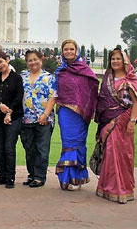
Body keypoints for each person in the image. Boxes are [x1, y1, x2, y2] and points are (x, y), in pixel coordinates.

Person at [42, 39, 99, 191]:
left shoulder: (85, 70)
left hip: (81, 115)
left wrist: (91, 108)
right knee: (69, 144)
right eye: (66, 49)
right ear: (62, 52)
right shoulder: (61, 72)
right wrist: (46, 113)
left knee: (79, 144)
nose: (68, 52)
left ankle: (77, 178)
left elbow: (93, 88)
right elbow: (54, 94)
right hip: (66, 113)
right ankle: (67, 178)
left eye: (71, 49)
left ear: (76, 51)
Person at [95, 48, 137, 203]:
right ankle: (107, 187)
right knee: (109, 153)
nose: (115, 61)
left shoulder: (130, 80)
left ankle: (122, 189)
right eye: (113, 59)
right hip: (108, 120)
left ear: (124, 62)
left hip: (124, 121)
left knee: (123, 155)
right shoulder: (108, 79)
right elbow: (101, 101)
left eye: (118, 59)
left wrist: (132, 122)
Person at [0, 51, 24, 189]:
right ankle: (1, 176)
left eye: (1, 62)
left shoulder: (16, 78)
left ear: (7, 60)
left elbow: (18, 97)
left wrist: (8, 111)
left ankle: (10, 177)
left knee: (9, 147)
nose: (0, 65)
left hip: (13, 118)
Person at [20, 50, 55, 188]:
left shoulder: (49, 77)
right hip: (26, 118)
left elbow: (53, 97)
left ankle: (40, 177)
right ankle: (32, 175)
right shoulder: (22, 76)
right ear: (27, 62)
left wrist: (45, 114)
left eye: (35, 59)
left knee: (41, 149)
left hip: (44, 118)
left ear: (41, 60)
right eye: (30, 60)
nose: (33, 62)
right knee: (29, 149)